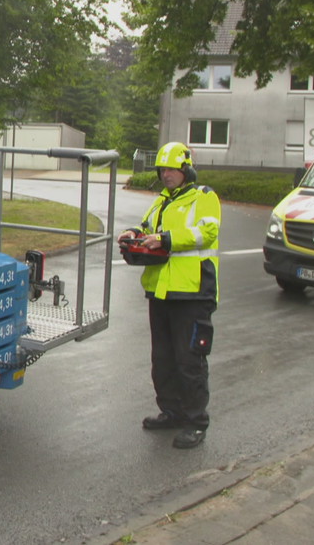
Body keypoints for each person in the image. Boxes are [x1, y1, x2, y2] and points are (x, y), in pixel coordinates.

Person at [118, 141, 220, 449]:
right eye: (162, 170)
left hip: (192, 292)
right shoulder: (161, 201)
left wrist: (166, 239)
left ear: (186, 169)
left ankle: (195, 422)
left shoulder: (203, 198)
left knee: (189, 360)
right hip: (160, 291)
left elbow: (207, 232)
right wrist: (133, 234)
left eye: (171, 170)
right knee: (162, 359)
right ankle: (172, 411)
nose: (166, 175)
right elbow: (147, 226)